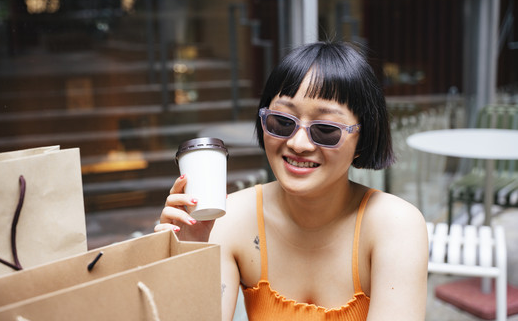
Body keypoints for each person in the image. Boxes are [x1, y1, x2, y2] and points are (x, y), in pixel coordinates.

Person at [155, 41, 428, 320]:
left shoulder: (394, 225)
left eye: (325, 129)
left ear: (363, 139)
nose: (298, 144)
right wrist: (188, 257)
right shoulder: (227, 219)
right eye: (282, 122)